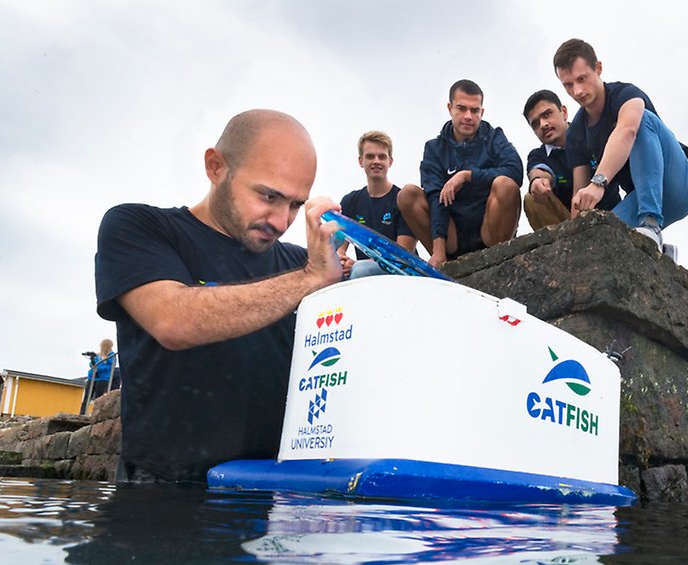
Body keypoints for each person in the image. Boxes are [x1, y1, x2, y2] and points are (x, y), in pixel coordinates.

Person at [94, 109, 343, 483]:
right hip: (159, 501)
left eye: (294, 205)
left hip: (273, 498)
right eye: (268, 195)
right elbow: (172, 320)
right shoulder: (140, 228)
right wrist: (310, 277)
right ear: (215, 167)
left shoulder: (302, 266)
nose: (280, 221)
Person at [553, 38, 688, 255]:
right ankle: (661, 254)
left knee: (642, 118)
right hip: (640, 198)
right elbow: (579, 192)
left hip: (679, 182)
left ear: (598, 68)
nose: (577, 91)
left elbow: (627, 131)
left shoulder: (626, 95)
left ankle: (650, 224)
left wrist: (599, 183)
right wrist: (574, 242)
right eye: (568, 85)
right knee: (597, 239)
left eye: (582, 79)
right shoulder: (575, 132)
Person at [398, 79, 523, 268]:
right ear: (450, 108)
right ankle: (442, 260)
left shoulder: (494, 137)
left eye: (474, 110)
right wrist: (438, 250)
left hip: (490, 229)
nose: (468, 116)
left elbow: (515, 171)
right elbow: (433, 195)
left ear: (482, 112)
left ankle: (501, 255)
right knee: (407, 195)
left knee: (506, 185)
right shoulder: (434, 148)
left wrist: (467, 175)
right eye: (461, 108)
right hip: (452, 235)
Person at [521, 89, 619, 230]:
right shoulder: (538, 155)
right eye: (535, 123)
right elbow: (539, 170)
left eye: (547, 115)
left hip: (611, 214)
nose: (543, 124)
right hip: (567, 224)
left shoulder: (591, 135)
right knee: (532, 200)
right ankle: (560, 248)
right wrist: (537, 182)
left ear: (564, 112)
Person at [337, 131, 416, 279]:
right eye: (370, 156)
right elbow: (339, 248)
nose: (376, 161)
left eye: (382, 156)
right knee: (334, 272)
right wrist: (342, 261)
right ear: (361, 161)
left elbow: (402, 257)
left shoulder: (402, 200)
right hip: (360, 272)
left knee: (359, 270)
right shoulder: (350, 202)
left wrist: (355, 265)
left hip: (402, 275)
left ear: (390, 161)